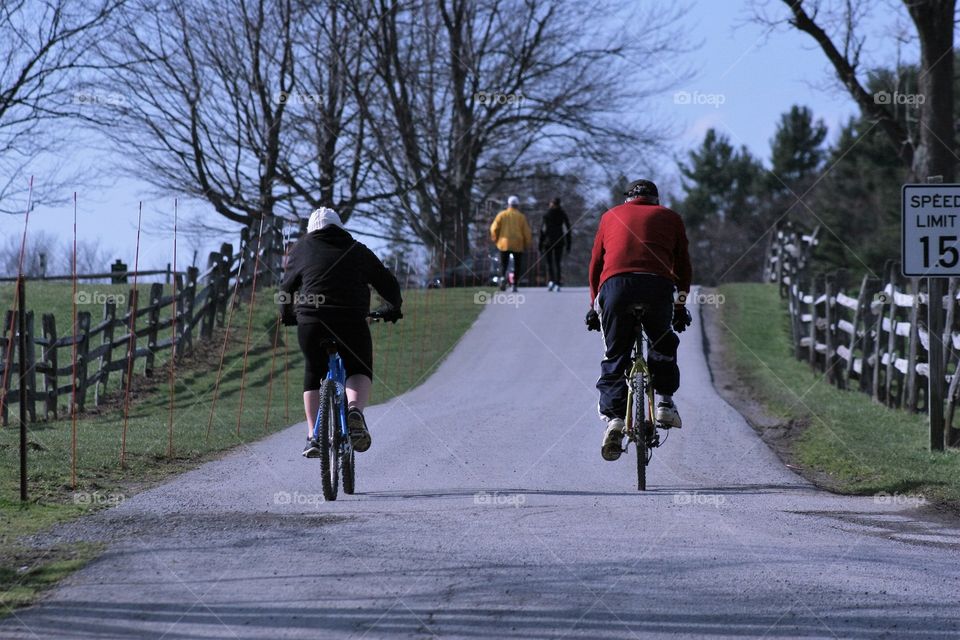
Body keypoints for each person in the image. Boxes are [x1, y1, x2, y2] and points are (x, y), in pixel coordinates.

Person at [279, 207, 402, 458]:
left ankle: (314, 434)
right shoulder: (357, 249)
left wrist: (287, 314)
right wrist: (392, 308)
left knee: (314, 371)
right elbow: (387, 282)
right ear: (340, 227)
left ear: (312, 230)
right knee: (358, 367)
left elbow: (287, 286)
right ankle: (355, 410)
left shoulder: (301, 249)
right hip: (351, 318)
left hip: (311, 320)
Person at [585, 179, 692, 462]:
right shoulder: (671, 217)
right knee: (663, 343)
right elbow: (683, 267)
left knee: (615, 354)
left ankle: (615, 421)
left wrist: (593, 307)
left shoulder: (610, 216)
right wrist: (679, 307)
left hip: (615, 288)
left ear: (628, 199)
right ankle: (665, 404)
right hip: (657, 287)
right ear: (655, 199)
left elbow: (596, 263)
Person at [490, 195, 532, 292]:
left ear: (508, 205)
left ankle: (502, 278)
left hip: (504, 243)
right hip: (518, 244)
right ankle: (514, 284)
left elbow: (494, 228)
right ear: (517, 205)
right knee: (517, 265)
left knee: (503, 264)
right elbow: (526, 232)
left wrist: (495, 239)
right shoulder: (521, 217)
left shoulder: (502, 215)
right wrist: (527, 243)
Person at [538, 197, 572, 292]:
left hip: (548, 242)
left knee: (549, 263)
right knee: (557, 263)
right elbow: (567, 230)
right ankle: (557, 282)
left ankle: (551, 281)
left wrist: (540, 244)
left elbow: (543, 231)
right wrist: (569, 244)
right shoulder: (562, 214)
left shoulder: (546, 215)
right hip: (559, 241)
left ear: (551, 204)